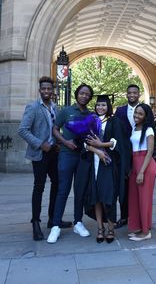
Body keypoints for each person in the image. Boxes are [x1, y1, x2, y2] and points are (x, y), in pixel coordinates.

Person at [18, 76, 72, 241]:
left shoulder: (55, 108)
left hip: (54, 153)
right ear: (40, 90)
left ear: (53, 90)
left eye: (49, 88)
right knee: (39, 187)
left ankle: (53, 219)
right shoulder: (33, 107)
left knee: (57, 184)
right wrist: (41, 144)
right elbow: (23, 130)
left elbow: (56, 129)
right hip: (40, 154)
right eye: (44, 89)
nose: (47, 91)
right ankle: (35, 222)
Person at [47, 83, 94, 244]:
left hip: (83, 157)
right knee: (63, 190)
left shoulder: (90, 114)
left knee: (80, 191)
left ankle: (78, 222)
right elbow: (55, 129)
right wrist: (65, 143)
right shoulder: (66, 111)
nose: (84, 96)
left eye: (87, 94)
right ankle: (55, 225)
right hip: (67, 155)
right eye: (82, 93)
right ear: (77, 94)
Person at [84, 95, 127, 243]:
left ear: (108, 106)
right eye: (98, 105)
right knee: (96, 197)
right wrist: (98, 151)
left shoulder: (114, 121)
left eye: (103, 105)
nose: (100, 107)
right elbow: (86, 143)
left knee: (108, 197)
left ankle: (111, 229)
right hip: (94, 163)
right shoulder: (92, 121)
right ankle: (100, 229)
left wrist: (100, 145)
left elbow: (116, 142)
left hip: (108, 164)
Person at [128, 103, 156, 241]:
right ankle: (139, 227)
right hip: (135, 163)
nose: (136, 116)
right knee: (135, 198)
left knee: (144, 199)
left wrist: (141, 172)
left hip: (145, 164)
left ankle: (146, 232)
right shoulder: (134, 129)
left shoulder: (149, 129)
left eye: (140, 114)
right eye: (136, 113)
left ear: (146, 116)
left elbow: (150, 151)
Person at [114, 84, 140, 228]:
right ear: (126, 94)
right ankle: (124, 217)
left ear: (139, 94)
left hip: (139, 153)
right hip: (124, 155)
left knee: (139, 187)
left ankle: (138, 216)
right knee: (123, 187)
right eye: (129, 93)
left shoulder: (144, 109)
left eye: (134, 93)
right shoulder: (120, 111)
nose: (132, 95)